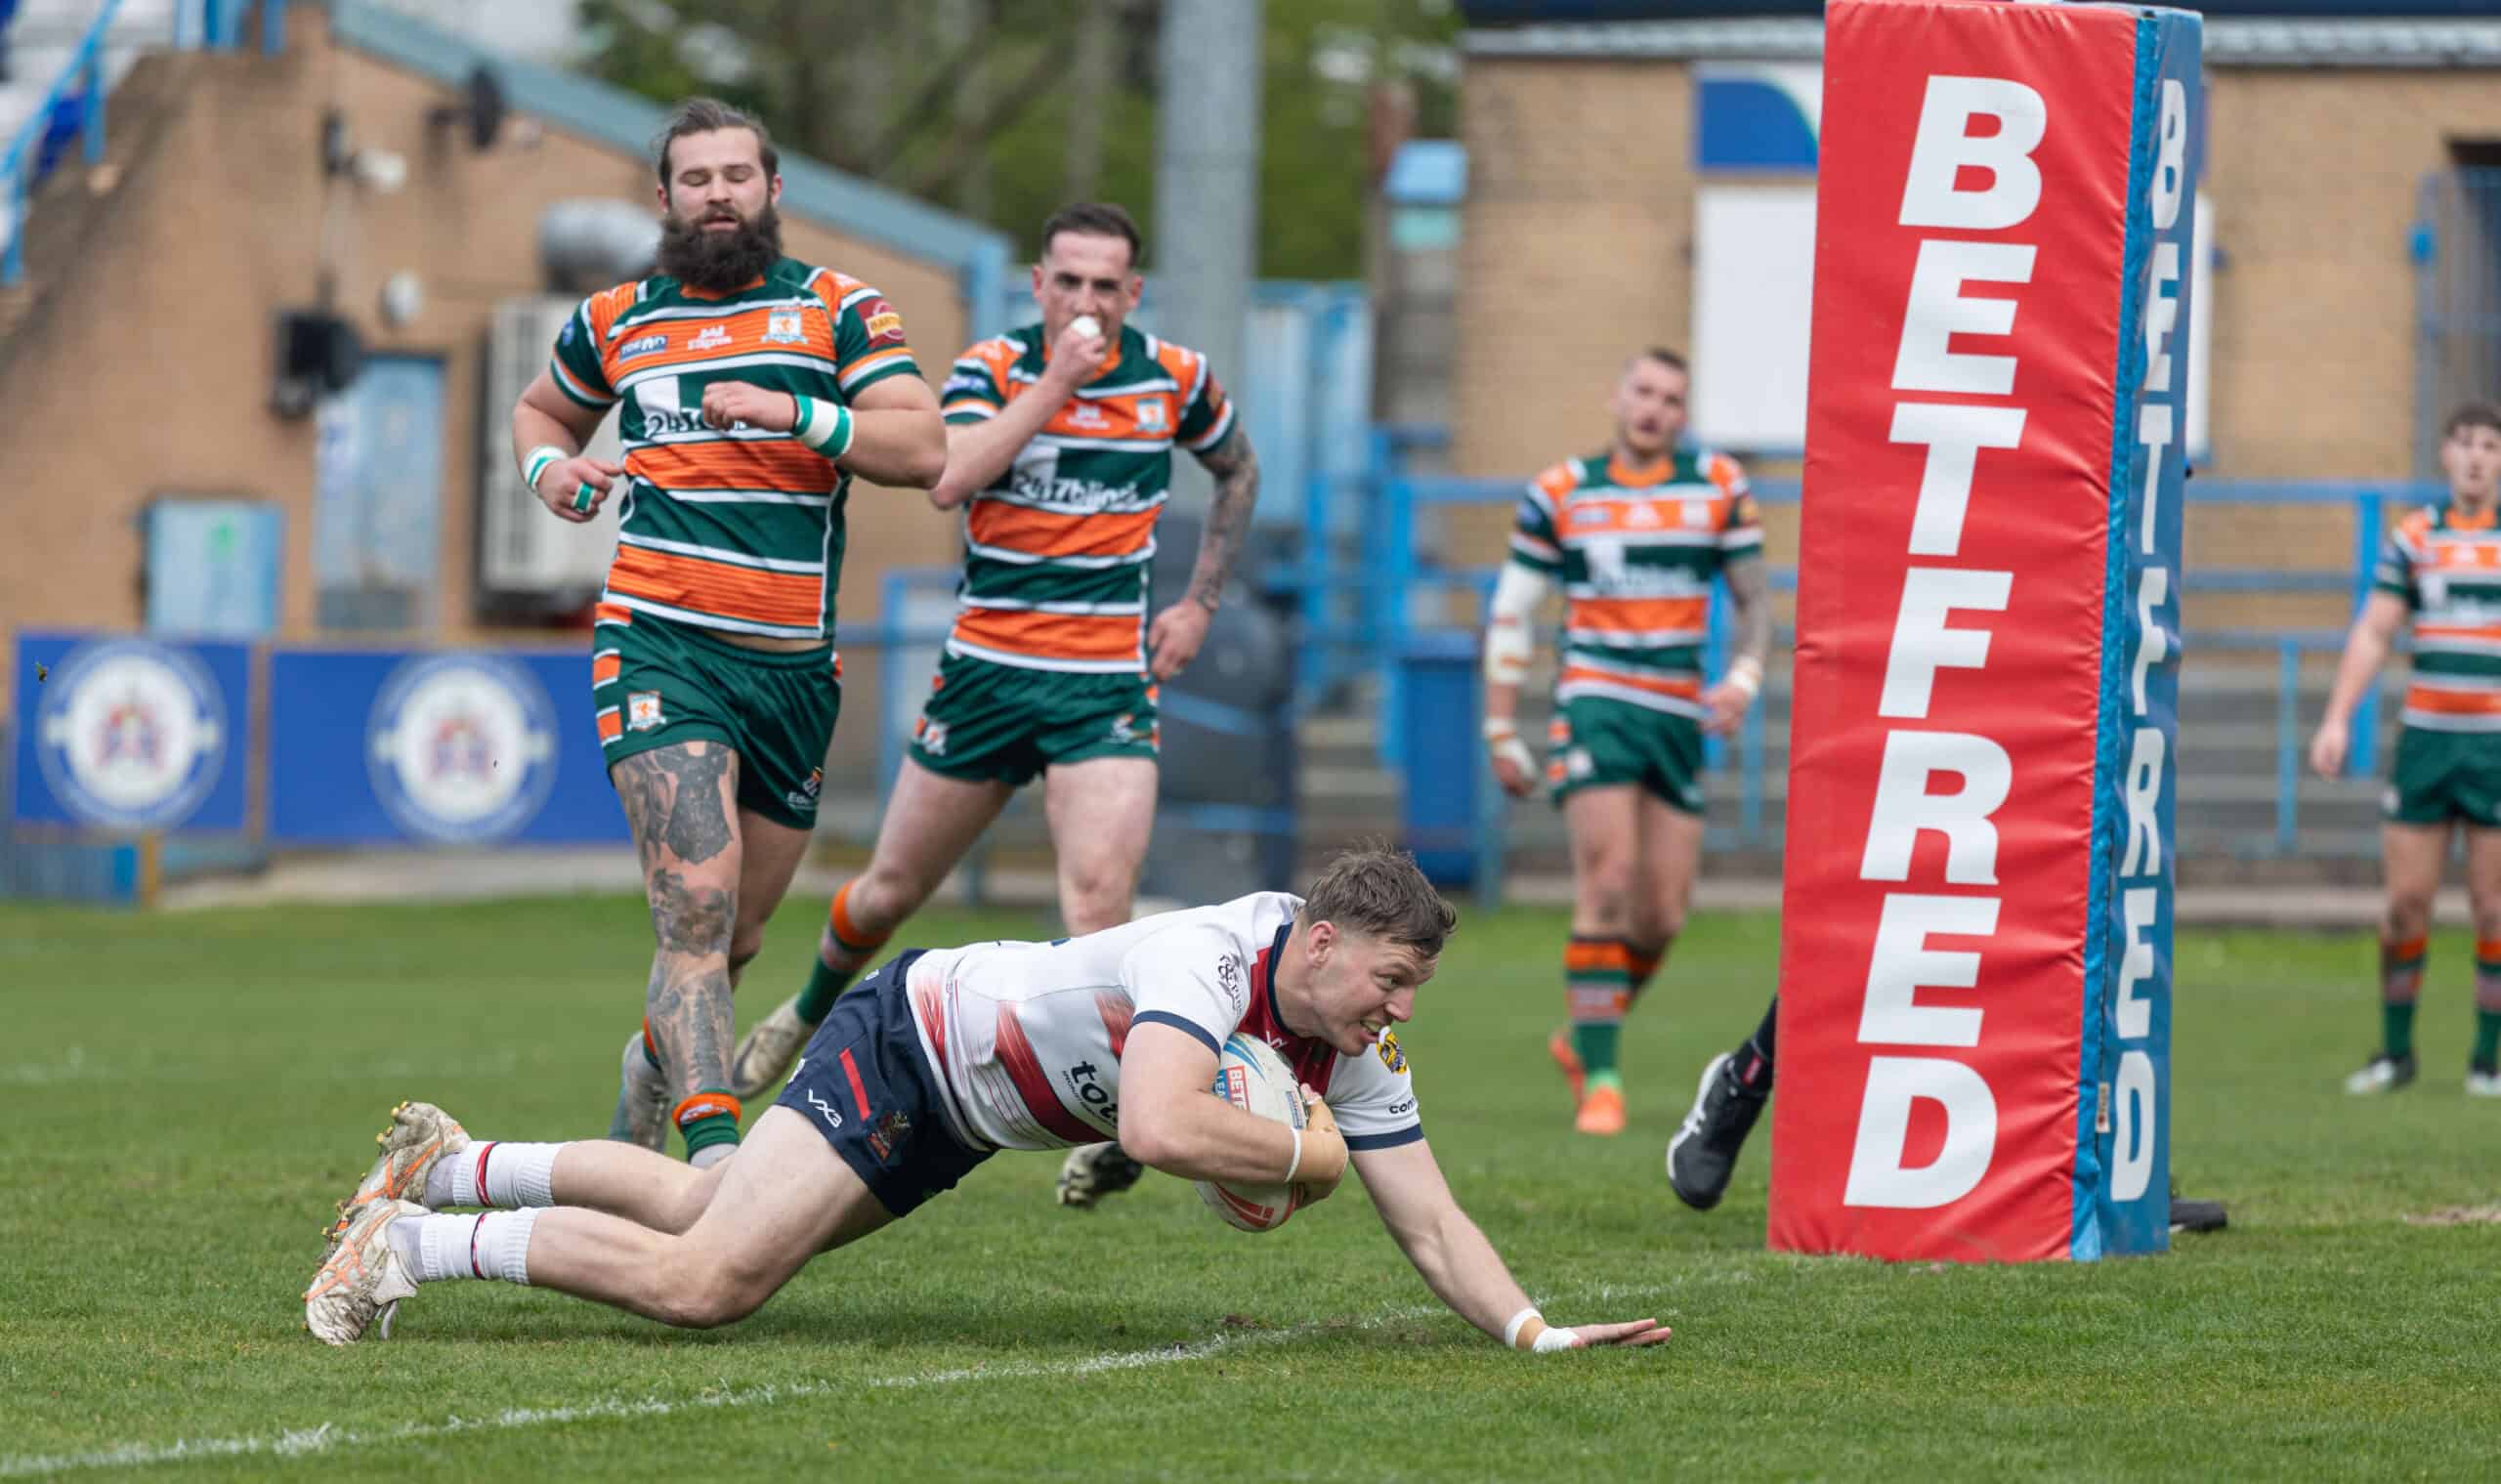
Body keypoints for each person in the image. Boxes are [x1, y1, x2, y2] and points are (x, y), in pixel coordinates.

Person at [304, 849, 1670, 1357]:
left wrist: (1535, 1329)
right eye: (1392, 979)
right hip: (914, 1036)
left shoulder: (1345, 1038)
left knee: (702, 1199)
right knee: (711, 1281)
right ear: (1319, 944)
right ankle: (406, 1245)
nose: (1400, 1009)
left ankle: (451, 1162)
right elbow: (1157, 1127)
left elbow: (1429, 1217)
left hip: (963, 1113)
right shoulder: (1208, 961)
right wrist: (1304, 1155)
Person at [725, 201, 1263, 1208]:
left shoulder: (1175, 378)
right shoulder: (990, 369)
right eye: (1069, 282)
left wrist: (1198, 601)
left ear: (1133, 292)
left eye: (1106, 285)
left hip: (1104, 686)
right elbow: (950, 478)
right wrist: (1058, 382)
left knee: (1098, 908)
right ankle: (803, 1011)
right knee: (886, 893)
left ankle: (1121, 1119)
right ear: (1040, 284)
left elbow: (1237, 468)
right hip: (985, 675)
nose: (1086, 301)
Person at [501, 98, 946, 1176]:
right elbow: (542, 411)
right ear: (663, 198)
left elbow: (924, 446)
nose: (717, 196)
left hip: (791, 670)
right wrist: (551, 470)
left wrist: (798, 414)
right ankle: (710, 1161)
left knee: (733, 938)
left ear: (772, 190)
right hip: (661, 642)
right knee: (695, 907)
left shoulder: (837, 309)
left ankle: (648, 1073)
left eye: (736, 176)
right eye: (695, 179)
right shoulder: (616, 318)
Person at [1479, 348, 1769, 1135]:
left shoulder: (1718, 486)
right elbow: (1513, 611)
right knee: (1607, 879)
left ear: (1684, 414)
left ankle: (1584, 1031)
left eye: (1671, 399)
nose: (1653, 408)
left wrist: (1744, 676)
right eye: (1643, 391)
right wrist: (1500, 726)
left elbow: (1754, 601)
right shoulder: (1562, 491)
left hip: (1677, 712)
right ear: (1617, 397)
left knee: (1663, 914)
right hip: (1595, 701)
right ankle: (1603, 1081)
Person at [2312, 400, 2501, 1098]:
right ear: (2446, 455)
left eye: (2490, 445)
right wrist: (2337, 718)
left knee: (2493, 909)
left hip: (2494, 746)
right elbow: (2374, 632)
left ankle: (2487, 1062)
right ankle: (2395, 1054)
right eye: (2465, 443)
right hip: (2426, 743)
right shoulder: (2416, 538)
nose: (2477, 456)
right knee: (2406, 904)